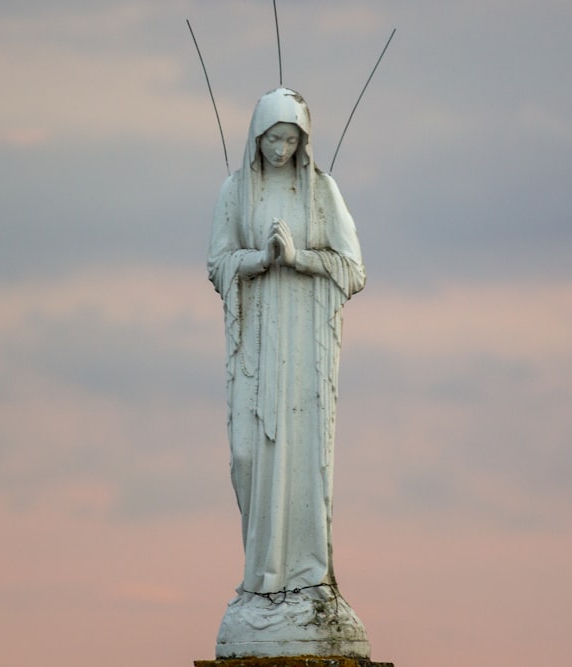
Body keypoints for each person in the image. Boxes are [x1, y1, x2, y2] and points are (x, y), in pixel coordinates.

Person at [207, 87, 369, 658]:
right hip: (256, 346)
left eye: (290, 138)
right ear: (256, 137)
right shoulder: (236, 190)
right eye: (272, 138)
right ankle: (261, 583)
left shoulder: (322, 192)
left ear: (304, 141)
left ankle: (306, 583)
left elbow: (353, 270)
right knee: (249, 457)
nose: (280, 147)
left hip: (304, 349)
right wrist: (261, 259)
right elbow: (217, 260)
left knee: (302, 460)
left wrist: (298, 258)